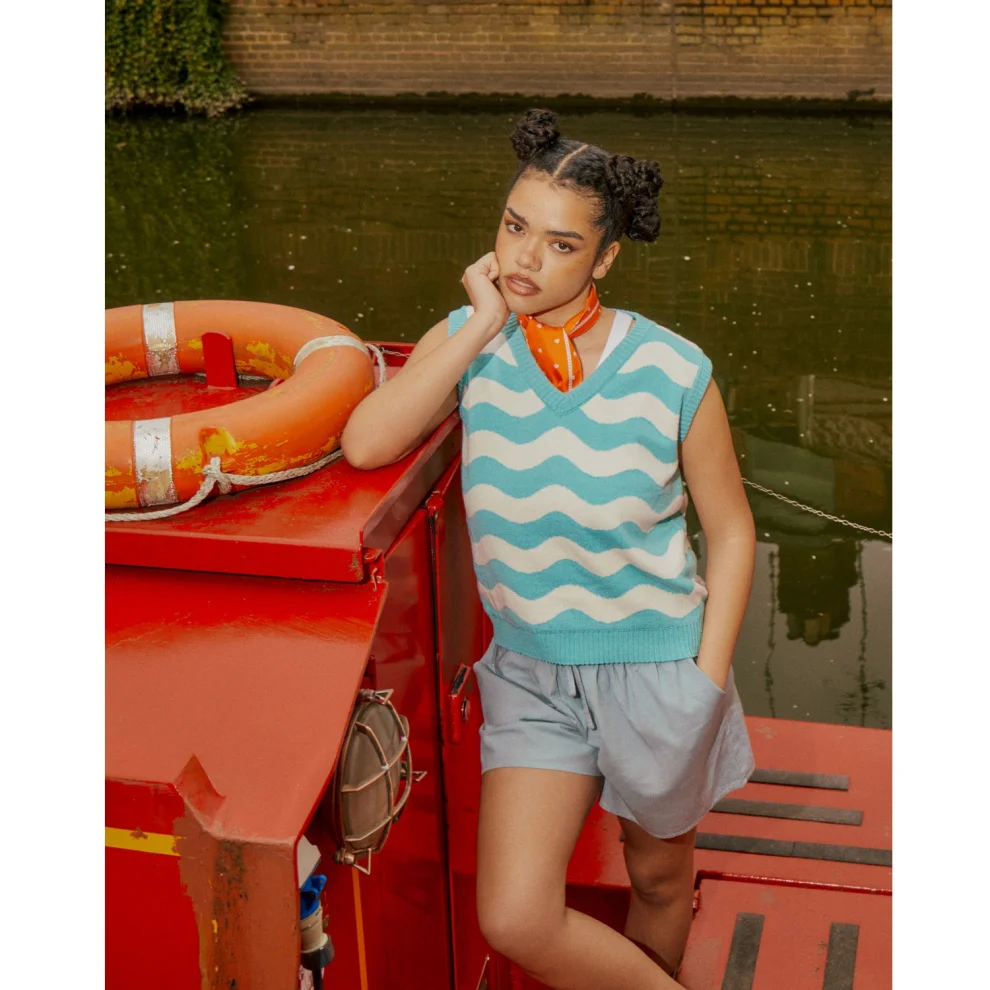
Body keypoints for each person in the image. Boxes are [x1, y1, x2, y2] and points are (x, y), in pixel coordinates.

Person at [342, 108, 756, 990]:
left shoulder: (674, 370)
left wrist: (705, 680)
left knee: (658, 880)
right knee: (516, 915)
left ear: (605, 258)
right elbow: (368, 443)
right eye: (515, 227)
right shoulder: (473, 344)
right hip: (531, 676)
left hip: (659, 673)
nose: (526, 259)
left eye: (562, 245)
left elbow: (730, 531)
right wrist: (479, 324)